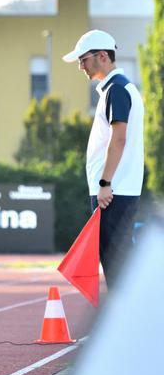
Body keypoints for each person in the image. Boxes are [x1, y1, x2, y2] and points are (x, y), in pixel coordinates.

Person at [63, 30, 145, 288]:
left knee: (116, 263)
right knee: (117, 261)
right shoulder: (117, 88)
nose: (80, 66)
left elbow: (117, 139)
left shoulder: (117, 89)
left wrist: (105, 183)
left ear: (102, 56)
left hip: (114, 191)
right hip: (117, 189)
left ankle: (129, 324)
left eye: (83, 59)